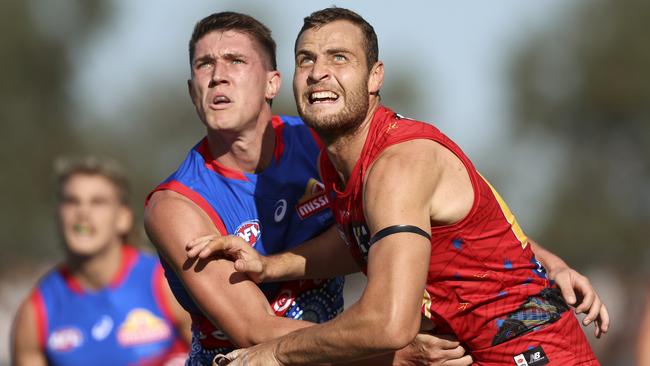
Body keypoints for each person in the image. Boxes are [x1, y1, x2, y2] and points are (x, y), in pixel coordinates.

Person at [192, 7, 610, 366]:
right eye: (306, 59)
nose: (319, 73)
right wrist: (272, 265)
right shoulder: (334, 159)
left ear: (375, 77)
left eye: (339, 58)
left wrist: (278, 352)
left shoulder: (397, 165)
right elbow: (367, 238)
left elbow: (388, 323)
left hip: (530, 352)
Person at [144, 11, 471, 366]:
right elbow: (255, 331)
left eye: (235, 61)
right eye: (204, 65)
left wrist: (526, 253)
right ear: (193, 91)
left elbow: (412, 217)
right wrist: (391, 354)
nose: (218, 77)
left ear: (273, 83)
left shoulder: (321, 145)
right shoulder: (175, 206)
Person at [11, 156, 191, 366]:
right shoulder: (37, 311)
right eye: (71, 201)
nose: (83, 213)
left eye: (98, 202)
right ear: (58, 215)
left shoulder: (167, 283)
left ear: (123, 218)